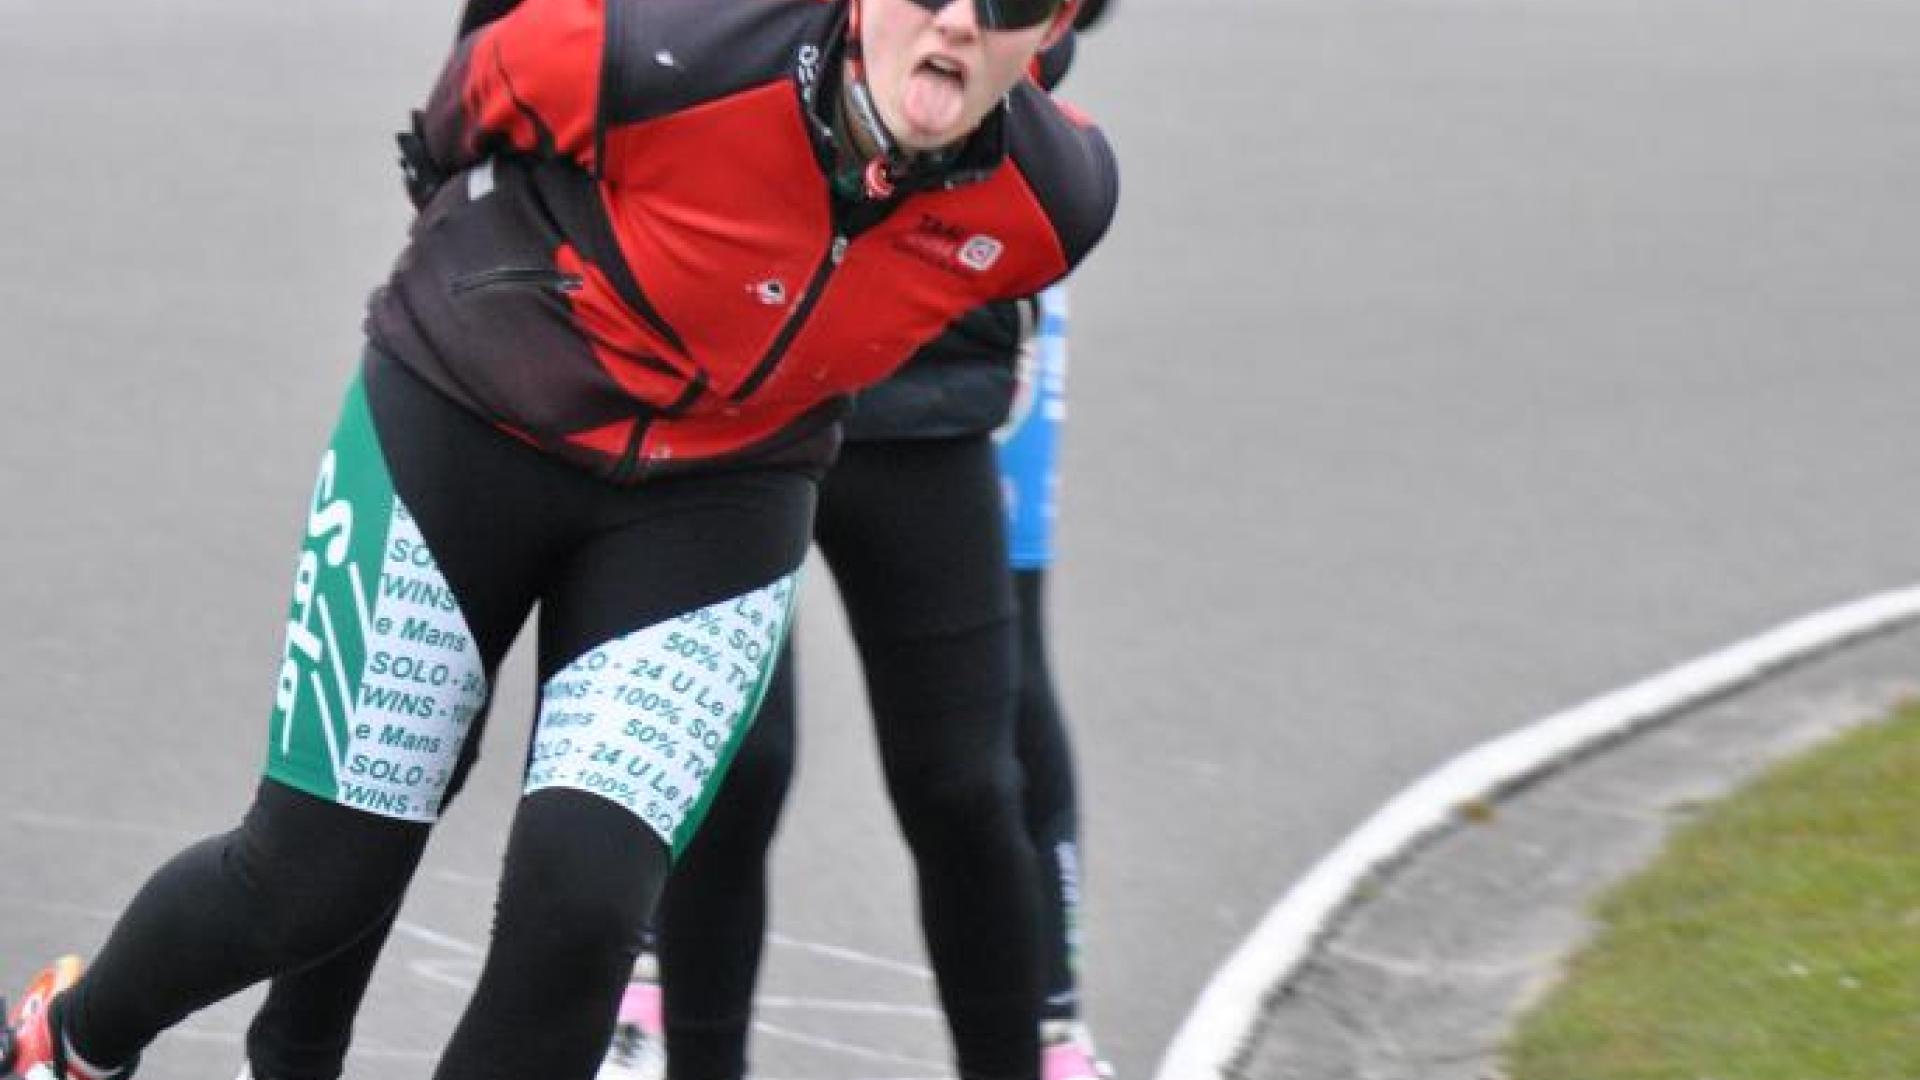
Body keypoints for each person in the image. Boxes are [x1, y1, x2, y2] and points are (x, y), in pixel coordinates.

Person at [0, 1, 1117, 1078]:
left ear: (1055, 25)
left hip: (720, 492)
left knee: (585, 909)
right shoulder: (657, 48)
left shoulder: (1057, 200)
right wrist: (520, 272)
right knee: (313, 879)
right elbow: (464, 105)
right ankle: (72, 1041)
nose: (960, 18)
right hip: (471, 418)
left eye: (1009, 0)